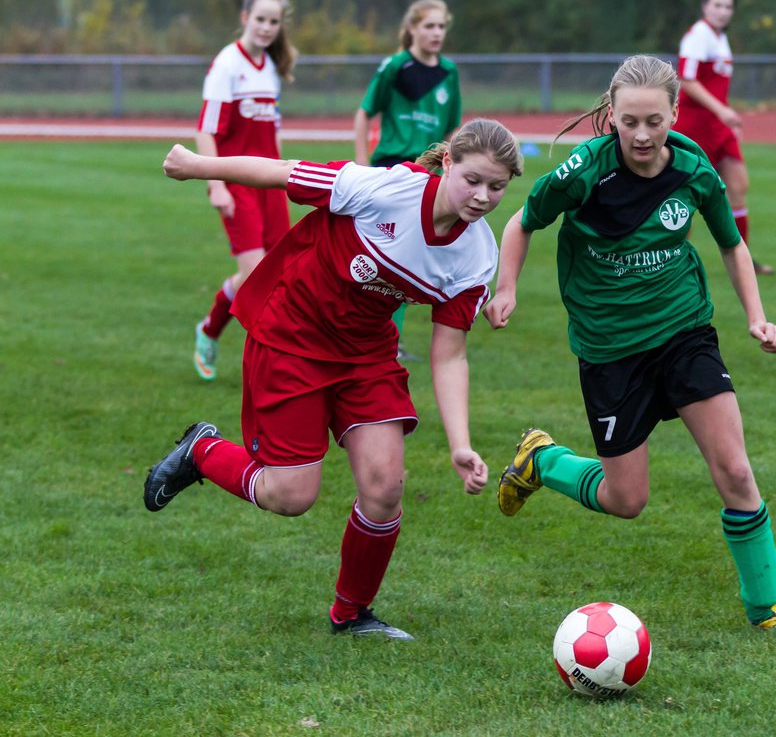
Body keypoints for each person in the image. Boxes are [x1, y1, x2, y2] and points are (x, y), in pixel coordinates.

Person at [144, 118, 523, 639]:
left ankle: (351, 615)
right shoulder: (383, 189)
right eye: (473, 180)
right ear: (449, 163)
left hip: (366, 355)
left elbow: (450, 354)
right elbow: (280, 172)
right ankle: (202, 452)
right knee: (289, 496)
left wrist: (461, 444)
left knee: (385, 487)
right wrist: (197, 166)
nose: (482, 196)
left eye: (497, 187)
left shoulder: (477, 255)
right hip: (292, 338)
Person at [485, 54, 776, 635]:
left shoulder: (692, 167)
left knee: (736, 472)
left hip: (684, 332)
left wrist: (757, 318)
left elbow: (731, 244)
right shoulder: (583, 171)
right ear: (611, 114)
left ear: (673, 114)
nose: (642, 135)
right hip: (611, 348)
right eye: (630, 121)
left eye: (655, 121)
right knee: (627, 500)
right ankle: (542, 459)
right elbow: (522, 222)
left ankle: (768, 609)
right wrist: (507, 286)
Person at [192, 0, 299, 381]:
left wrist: (287, 176)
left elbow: (271, 132)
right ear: (244, 18)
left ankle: (210, 326)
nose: (267, 27)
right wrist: (216, 184)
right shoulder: (226, 65)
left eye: (274, 21)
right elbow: (206, 129)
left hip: (269, 181)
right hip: (237, 181)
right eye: (260, 19)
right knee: (256, 276)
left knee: (278, 272)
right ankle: (273, 365)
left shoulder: (269, 67)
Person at [354, 0, 463, 362]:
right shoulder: (396, 66)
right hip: (392, 168)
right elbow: (364, 112)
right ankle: (380, 336)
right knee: (383, 251)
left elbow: (452, 127)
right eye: (429, 26)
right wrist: (362, 163)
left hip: (429, 173)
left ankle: (389, 339)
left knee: (413, 254)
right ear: (412, 28)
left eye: (441, 26)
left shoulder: (449, 72)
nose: (436, 33)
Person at [672, 0, 774, 276]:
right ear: (705, 7)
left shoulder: (719, 38)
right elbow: (687, 81)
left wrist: (725, 118)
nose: (722, 11)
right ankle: (671, 260)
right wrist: (722, 111)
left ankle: (744, 260)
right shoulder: (698, 36)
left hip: (717, 126)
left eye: (728, 6)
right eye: (717, 5)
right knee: (684, 197)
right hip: (695, 127)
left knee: (738, 186)